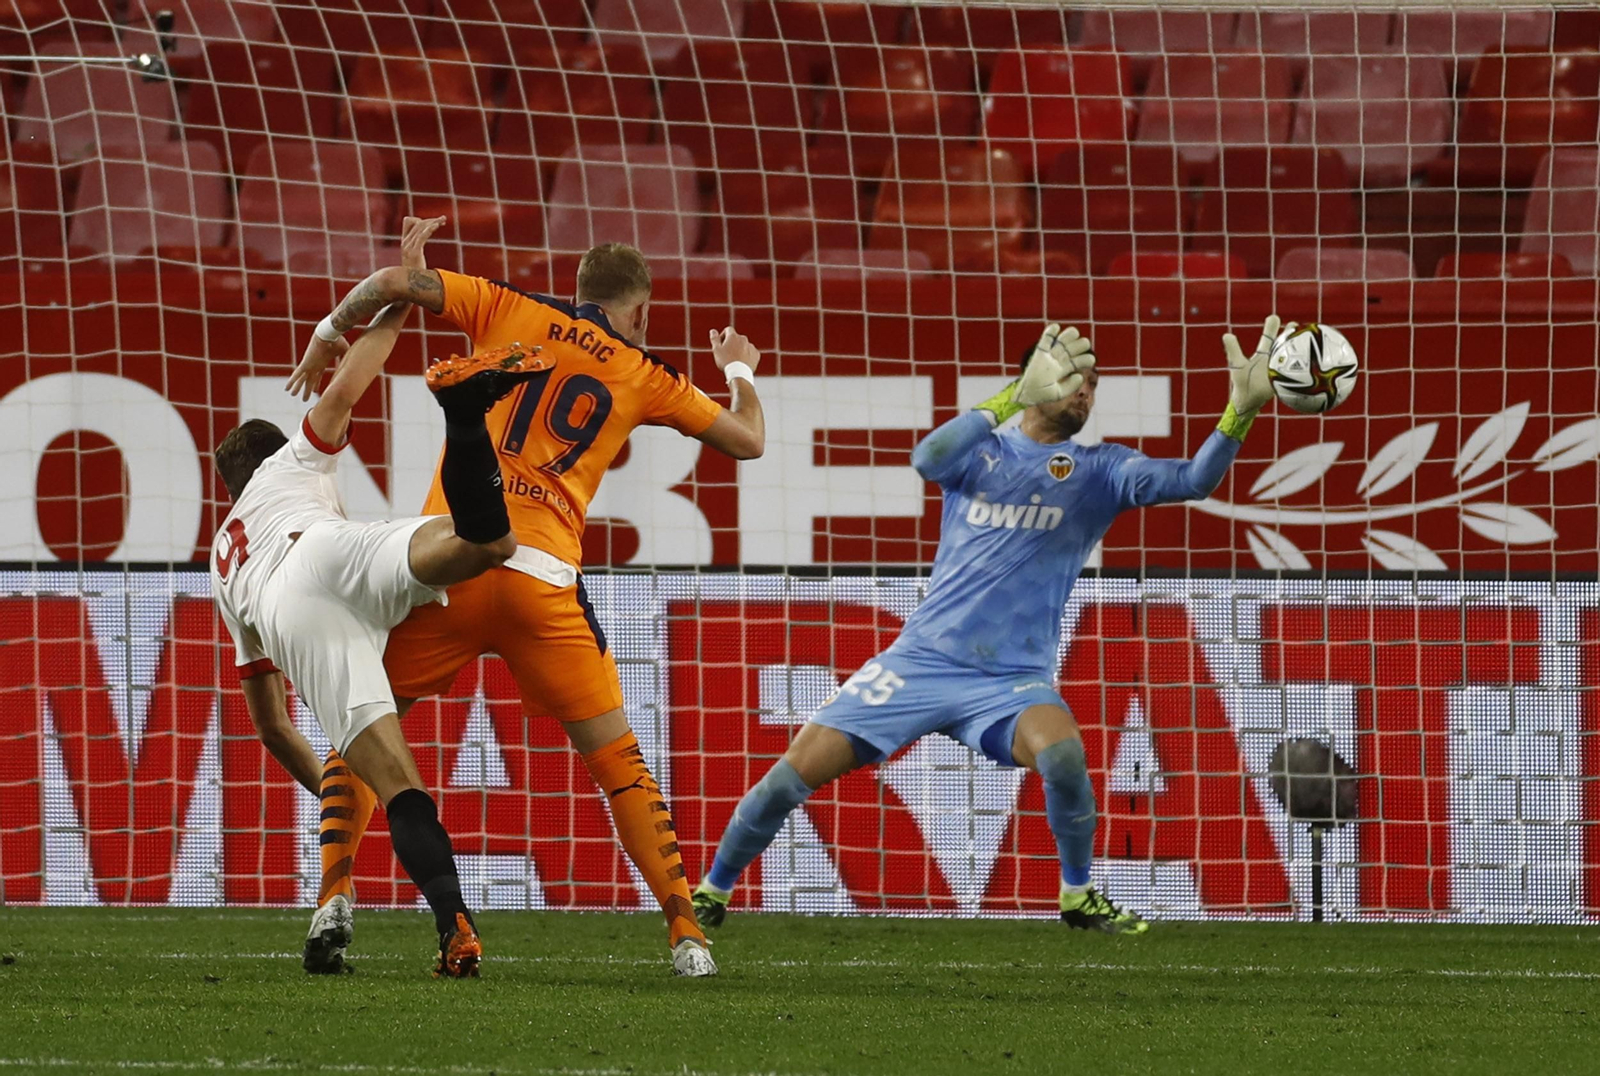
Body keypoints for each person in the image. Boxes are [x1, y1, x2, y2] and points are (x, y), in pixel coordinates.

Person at [691, 316, 1283, 933]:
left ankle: (1077, 894)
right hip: (918, 663)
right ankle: (711, 890)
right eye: (1075, 379)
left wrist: (1237, 413)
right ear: (1038, 380)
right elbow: (924, 459)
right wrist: (1010, 397)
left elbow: (1193, 479)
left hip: (1010, 681)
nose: (1086, 392)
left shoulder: (1102, 471)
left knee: (1064, 758)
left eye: (1093, 384)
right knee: (786, 781)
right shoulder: (982, 453)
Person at [290, 239, 766, 977]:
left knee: (361, 728)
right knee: (619, 764)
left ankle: (332, 897)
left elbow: (389, 284)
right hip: (542, 579)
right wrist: (738, 367)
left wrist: (327, 337)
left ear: (578, 287)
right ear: (638, 310)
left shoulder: (505, 305)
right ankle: (687, 938)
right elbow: (750, 441)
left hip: (448, 566)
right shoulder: (644, 371)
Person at [211, 215, 544, 977]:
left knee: (399, 786)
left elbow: (268, 722)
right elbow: (353, 379)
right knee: (486, 543)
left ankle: (456, 926)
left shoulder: (219, 563)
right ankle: (465, 419)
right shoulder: (293, 464)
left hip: (290, 605)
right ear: (271, 454)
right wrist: (404, 290)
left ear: (224, 487)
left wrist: (339, 781)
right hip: (334, 549)